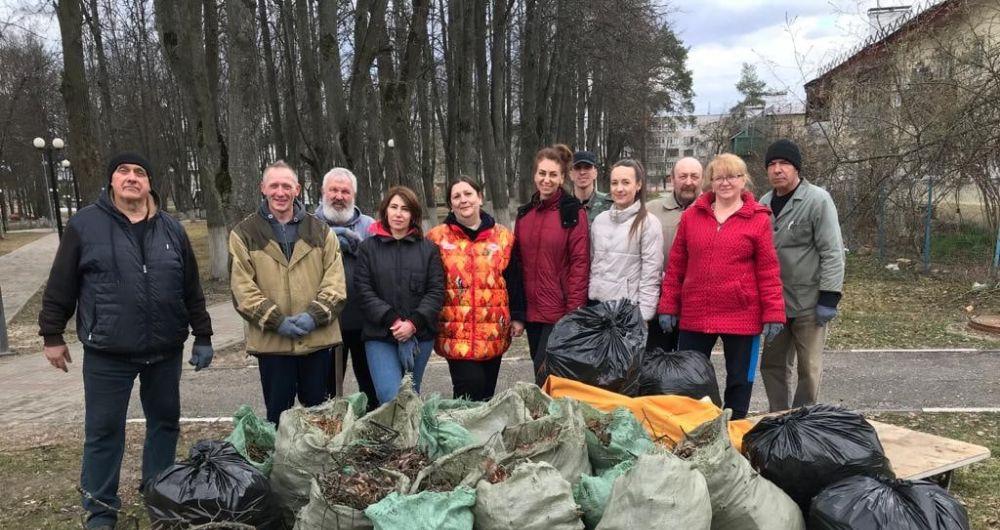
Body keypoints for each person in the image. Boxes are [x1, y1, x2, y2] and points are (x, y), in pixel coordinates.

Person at [38, 152, 214, 530]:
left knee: (165, 424)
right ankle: (100, 510)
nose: (132, 178)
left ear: (149, 183)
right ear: (112, 182)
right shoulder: (86, 225)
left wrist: (203, 334)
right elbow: (61, 283)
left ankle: (159, 493)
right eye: (123, 172)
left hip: (165, 349)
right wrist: (52, 334)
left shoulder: (171, 229)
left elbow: (191, 288)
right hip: (108, 352)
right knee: (103, 431)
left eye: (139, 172)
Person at [656, 153, 785, 420]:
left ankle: (734, 427)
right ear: (711, 182)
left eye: (732, 177)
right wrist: (668, 305)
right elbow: (677, 265)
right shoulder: (693, 216)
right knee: (689, 378)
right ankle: (693, 425)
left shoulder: (758, 219)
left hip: (742, 315)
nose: (726, 183)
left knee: (740, 380)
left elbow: (768, 270)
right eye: (719, 178)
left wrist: (774, 312)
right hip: (695, 314)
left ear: (743, 180)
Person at [230, 161, 346, 425]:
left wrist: (313, 316)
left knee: (319, 420)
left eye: (286, 186)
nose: (280, 192)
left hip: (316, 341)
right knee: (277, 419)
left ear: (297, 189)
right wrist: (276, 321)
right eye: (274, 185)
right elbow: (242, 289)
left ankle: (316, 466)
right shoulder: (244, 233)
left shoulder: (321, 230)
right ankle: (280, 466)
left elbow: (336, 282)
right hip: (273, 345)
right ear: (263, 188)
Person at [759, 139, 845, 412]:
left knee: (809, 367)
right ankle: (779, 417)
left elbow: (832, 250)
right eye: (772, 164)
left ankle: (803, 419)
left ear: (796, 168)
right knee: (772, 364)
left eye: (784, 163)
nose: (777, 170)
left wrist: (829, 297)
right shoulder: (764, 203)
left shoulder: (817, 200)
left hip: (809, 302)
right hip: (775, 303)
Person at [427, 177, 515, 401]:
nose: (463, 200)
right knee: (469, 389)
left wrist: (519, 317)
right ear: (450, 204)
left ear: (480, 198)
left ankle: (482, 434)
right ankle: (463, 434)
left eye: (468, 194)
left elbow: (513, 279)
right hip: (455, 331)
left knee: (486, 393)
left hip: (493, 328)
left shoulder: (503, 237)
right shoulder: (436, 238)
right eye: (456, 196)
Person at [355, 186, 445, 404]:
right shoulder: (368, 248)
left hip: (419, 334)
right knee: (390, 397)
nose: (398, 213)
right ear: (385, 210)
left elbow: (436, 291)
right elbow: (364, 289)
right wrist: (393, 320)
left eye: (405, 209)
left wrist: (413, 324)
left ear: (413, 214)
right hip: (380, 334)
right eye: (393, 207)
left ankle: (410, 439)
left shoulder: (428, 249)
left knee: (411, 395)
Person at [510, 144, 590, 385]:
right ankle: (548, 419)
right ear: (535, 175)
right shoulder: (525, 214)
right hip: (532, 311)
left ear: (562, 177)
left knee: (547, 373)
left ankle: (552, 419)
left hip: (559, 311)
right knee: (540, 372)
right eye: (542, 173)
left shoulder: (572, 212)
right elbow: (518, 265)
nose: (547, 180)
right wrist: (518, 312)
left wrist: (574, 312)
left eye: (553, 174)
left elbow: (579, 264)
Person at [314, 167, 378, 410]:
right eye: (333, 190)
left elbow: (379, 268)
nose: (339, 196)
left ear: (353, 195)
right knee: (325, 394)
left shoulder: (369, 227)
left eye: (345, 191)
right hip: (325, 325)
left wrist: (360, 251)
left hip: (364, 323)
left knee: (371, 390)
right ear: (323, 192)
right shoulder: (309, 226)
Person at [588, 159, 663, 322]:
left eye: (626, 182)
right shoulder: (600, 221)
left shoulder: (648, 223)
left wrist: (643, 315)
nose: (619, 188)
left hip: (627, 312)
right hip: (597, 308)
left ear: (638, 185)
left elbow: (651, 274)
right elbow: (593, 263)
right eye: (614, 183)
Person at [646, 157, 704, 350]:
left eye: (694, 176)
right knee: (656, 366)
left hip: (696, 306)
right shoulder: (651, 211)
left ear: (702, 179)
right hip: (658, 303)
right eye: (683, 176)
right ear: (672, 179)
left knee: (691, 368)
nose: (689, 182)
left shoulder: (714, 210)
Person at [571, 150, 613, 224]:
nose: (582, 172)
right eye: (577, 168)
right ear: (571, 174)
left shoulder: (609, 205)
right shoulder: (562, 206)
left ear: (595, 173)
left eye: (587, 167)